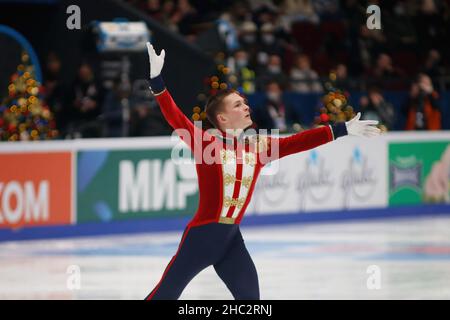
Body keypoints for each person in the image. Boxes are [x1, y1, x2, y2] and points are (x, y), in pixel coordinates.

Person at [144, 42, 381, 300]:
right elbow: (176, 118)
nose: (246, 106)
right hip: (201, 238)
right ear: (222, 119)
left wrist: (342, 129)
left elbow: (298, 142)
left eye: (244, 102)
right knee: (164, 296)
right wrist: (157, 82)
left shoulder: (258, 147)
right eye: (237, 105)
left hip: (231, 240)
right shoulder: (206, 144)